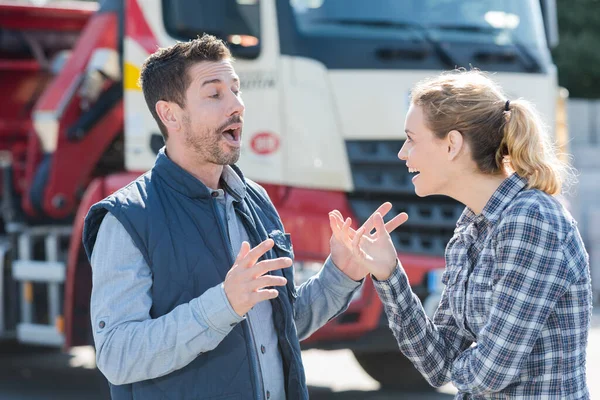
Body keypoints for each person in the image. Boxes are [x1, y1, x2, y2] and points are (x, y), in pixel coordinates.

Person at [82, 34, 406, 400]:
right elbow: (117, 356)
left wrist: (341, 274)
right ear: (169, 114)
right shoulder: (126, 219)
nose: (236, 105)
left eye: (236, 90)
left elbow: (279, 326)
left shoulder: (254, 199)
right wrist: (223, 304)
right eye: (215, 94)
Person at [329, 69, 592, 399]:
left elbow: (490, 374)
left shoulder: (532, 220)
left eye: (411, 138)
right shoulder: (469, 229)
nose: (402, 153)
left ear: (452, 144)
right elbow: (438, 364)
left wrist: (462, 366)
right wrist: (388, 274)